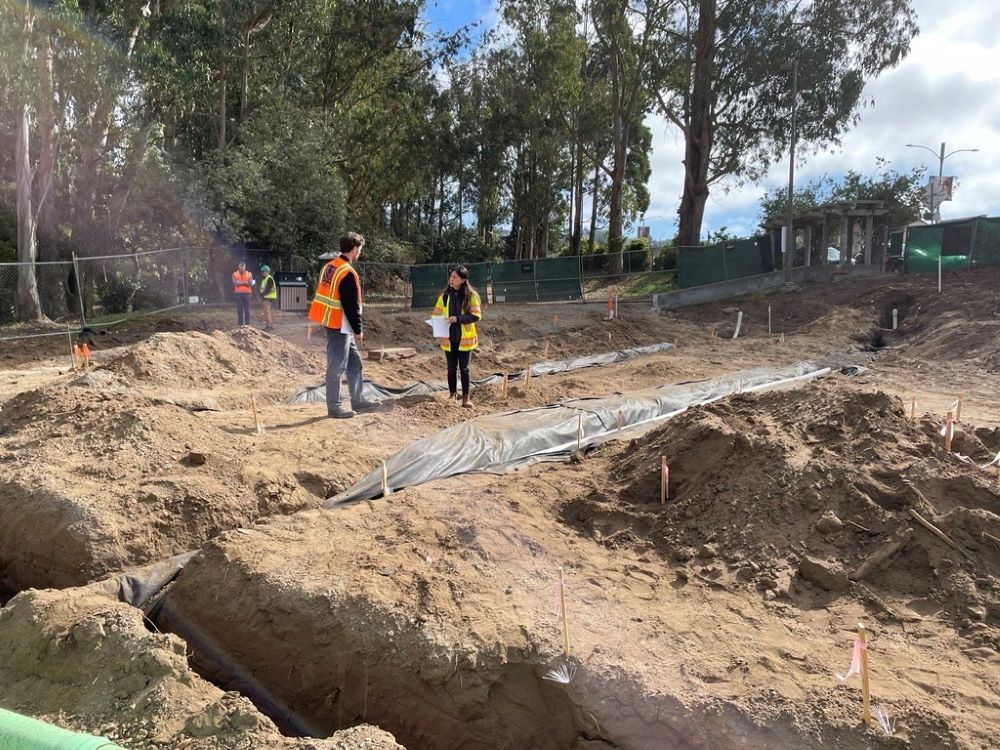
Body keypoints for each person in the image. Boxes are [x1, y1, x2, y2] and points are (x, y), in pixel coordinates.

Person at [308, 232, 382, 419]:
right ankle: (334, 407)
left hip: (334, 321)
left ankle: (358, 400)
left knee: (354, 362)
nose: (360, 252)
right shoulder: (347, 272)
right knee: (336, 367)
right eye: (360, 249)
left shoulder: (330, 266)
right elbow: (350, 305)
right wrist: (358, 329)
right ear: (355, 249)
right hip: (339, 324)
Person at [433, 265, 482, 408]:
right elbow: (436, 314)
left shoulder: (471, 296)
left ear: (463, 280)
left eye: (455, 277)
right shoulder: (444, 296)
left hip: (464, 340)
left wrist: (457, 319)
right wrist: (440, 324)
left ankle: (466, 398)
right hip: (449, 339)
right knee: (451, 368)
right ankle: (452, 394)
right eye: (451, 277)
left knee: (464, 369)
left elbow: (476, 316)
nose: (451, 279)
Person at [232, 261, 254, 326]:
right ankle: (240, 324)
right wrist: (245, 283)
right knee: (239, 309)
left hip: (247, 294)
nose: (242, 267)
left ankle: (247, 324)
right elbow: (235, 283)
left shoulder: (249, 274)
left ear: (245, 267)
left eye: (243, 266)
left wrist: (240, 282)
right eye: (241, 266)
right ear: (238, 266)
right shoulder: (235, 274)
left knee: (247, 309)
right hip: (238, 294)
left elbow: (250, 284)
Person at [259, 265, 277, 331]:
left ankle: (269, 325)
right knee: (266, 311)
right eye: (262, 272)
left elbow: (268, 289)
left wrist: (262, 295)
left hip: (269, 297)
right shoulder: (265, 279)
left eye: (263, 272)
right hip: (266, 297)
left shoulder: (269, 279)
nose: (262, 273)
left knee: (266, 311)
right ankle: (270, 325)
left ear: (267, 272)